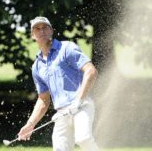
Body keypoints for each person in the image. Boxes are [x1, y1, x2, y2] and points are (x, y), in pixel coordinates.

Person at [18, 16, 99, 151]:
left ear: (51, 31)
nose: (41, 31)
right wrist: (30, 124)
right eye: (37, 29)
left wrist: (79, 100)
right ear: (32, 35)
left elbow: (91, 71)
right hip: (62, 114)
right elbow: (43, 100)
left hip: (82, 106)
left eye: (45, 28)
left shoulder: (66, 48)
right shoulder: (37, 67)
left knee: (83, 138)